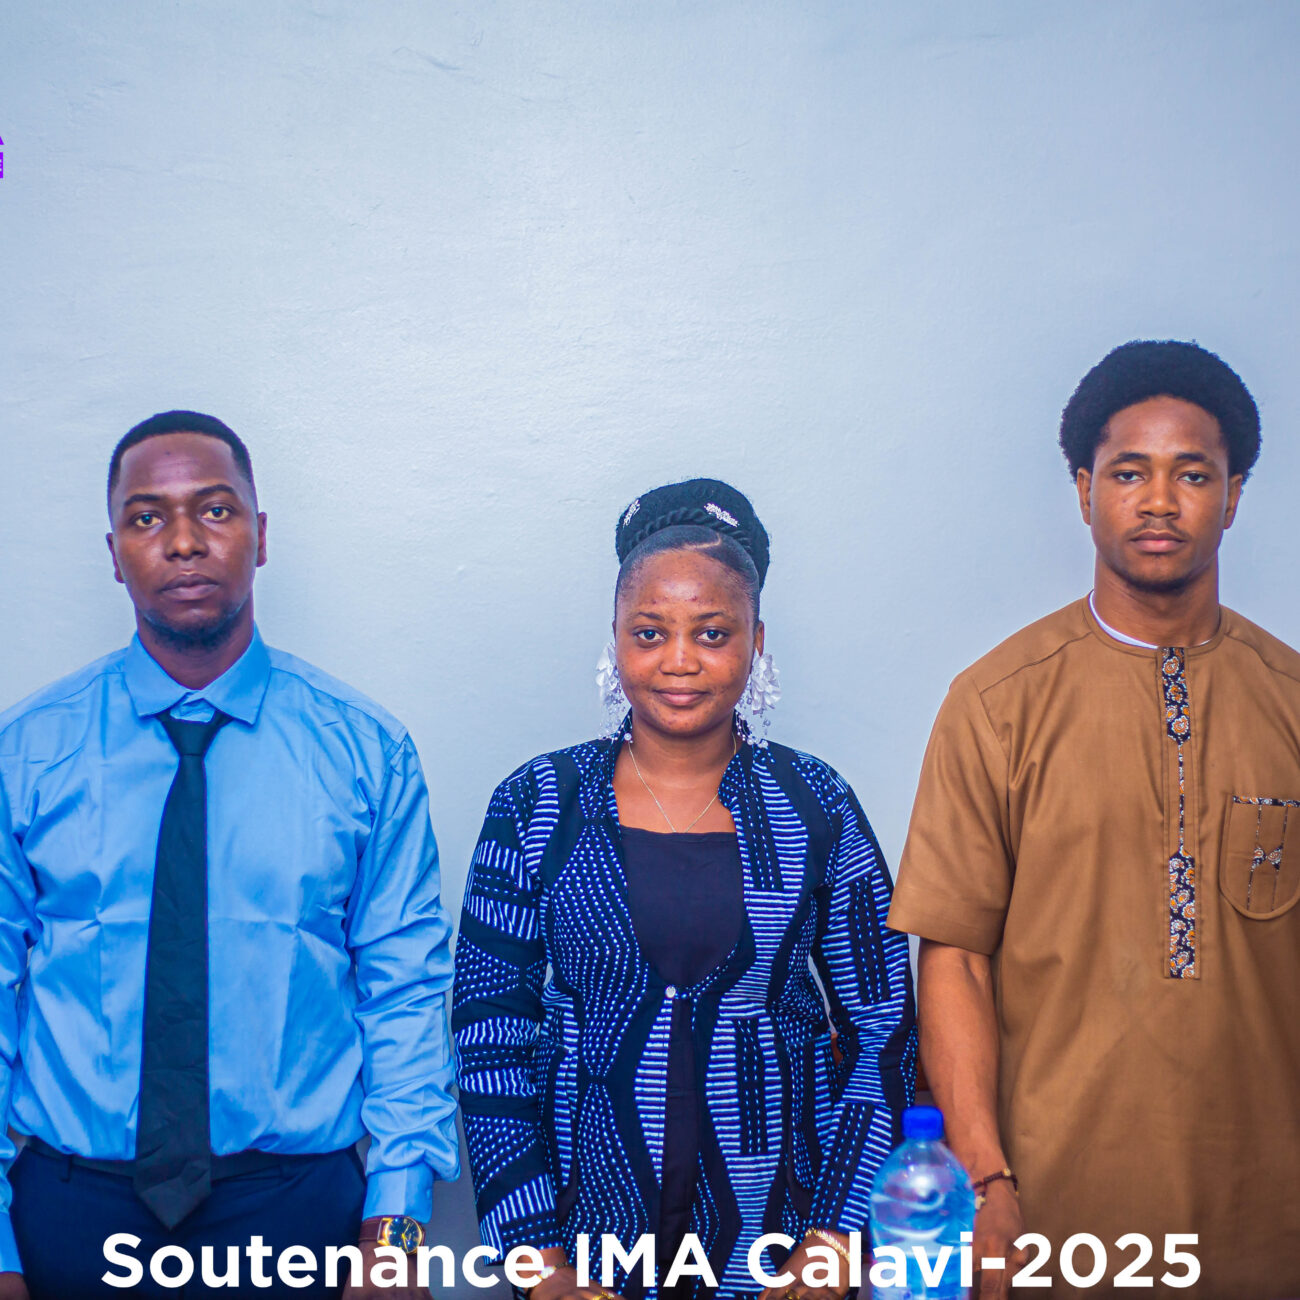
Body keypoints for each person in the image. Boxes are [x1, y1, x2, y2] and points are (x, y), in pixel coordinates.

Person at [0, 411, 459, 1299]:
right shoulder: (26, 755)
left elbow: (404, 991)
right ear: (113, 552)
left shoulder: (365, 753)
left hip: (297, 1215)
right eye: (147, 517)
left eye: (215, 510)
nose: (183, 542)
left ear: (260, 536)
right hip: (70, 1216)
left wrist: (397, 1228)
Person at [888, 340, 1300, 1298]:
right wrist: (986, 1182)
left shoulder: (1289, 703)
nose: (1158, 501)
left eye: (1191, 474)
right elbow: (954, 958)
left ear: (1234, 495)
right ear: (1083, 492)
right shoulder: (997, 705)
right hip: (1055, 1219)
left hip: (1270, 1223)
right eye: (1127, 472)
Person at [453, 478, 915, 1300]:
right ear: (615, 639)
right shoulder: (538, 804)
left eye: (711, 633)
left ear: (756, 641)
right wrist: (537, 1263)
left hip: (778, 1244)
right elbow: (491, 1033)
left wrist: (837, 1241)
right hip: (584, 1245)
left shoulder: (815, 805)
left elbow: (884, 1028)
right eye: (649, 632)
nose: (678, 660)